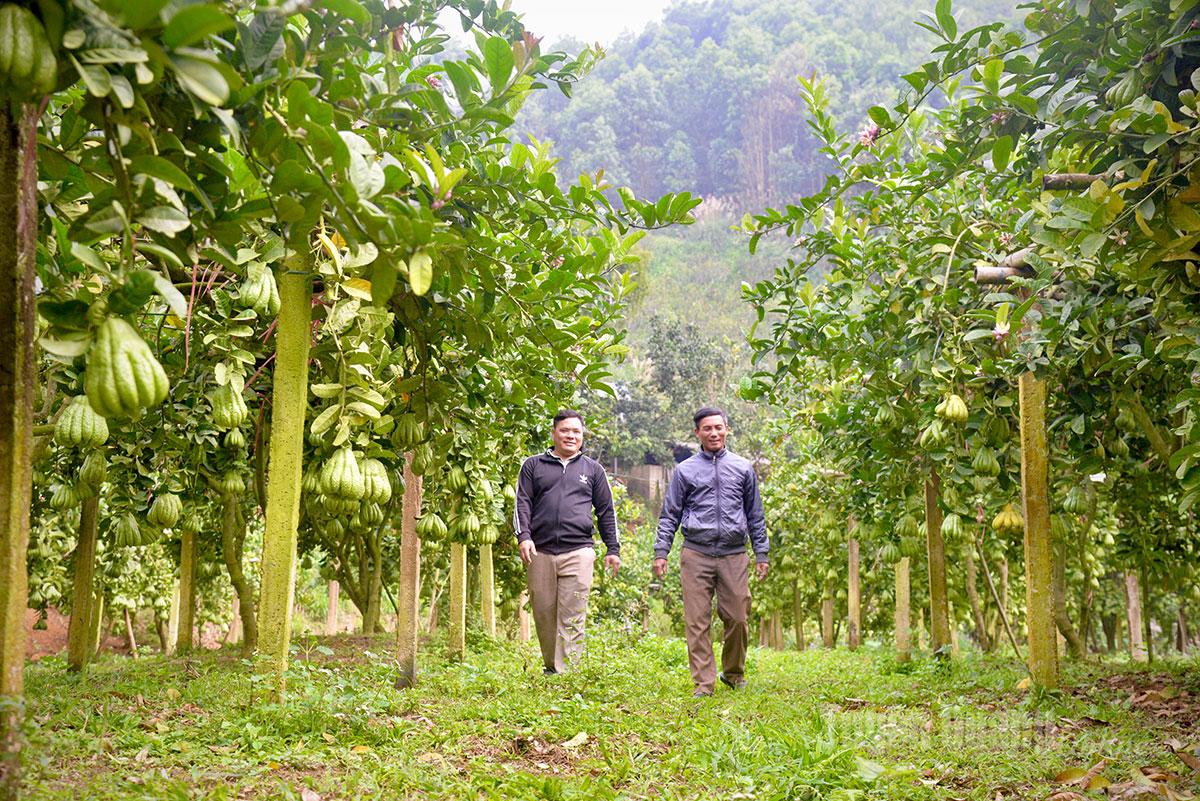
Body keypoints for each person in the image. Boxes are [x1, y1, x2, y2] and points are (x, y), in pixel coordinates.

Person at [654, 406, 769, 696]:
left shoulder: (743, 468)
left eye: (719, 427)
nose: (714, 432)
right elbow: (670, 514)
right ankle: (704, 684)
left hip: (734, 554)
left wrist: (762, 553)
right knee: (697, 621)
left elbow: (755, 514)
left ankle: (733, 673)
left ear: (727, 429)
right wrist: (661, 551)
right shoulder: (685, 470)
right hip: (696, 553)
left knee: (738, 617)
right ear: (697, 433)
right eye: (707, 428)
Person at [514, 410, 620, 674]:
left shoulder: (593, 471)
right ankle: (552, 665)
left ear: (582, 436)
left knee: (572, 614)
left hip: (579, 551)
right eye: (565, 430)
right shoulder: (533, 466)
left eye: (576, 432)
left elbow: (606, 511)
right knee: (544, 612)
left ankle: (566, 672)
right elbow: (522, 502)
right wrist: (524, 536)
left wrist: (612, 548)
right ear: (554, 433)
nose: (571, 436)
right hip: (540, 551)